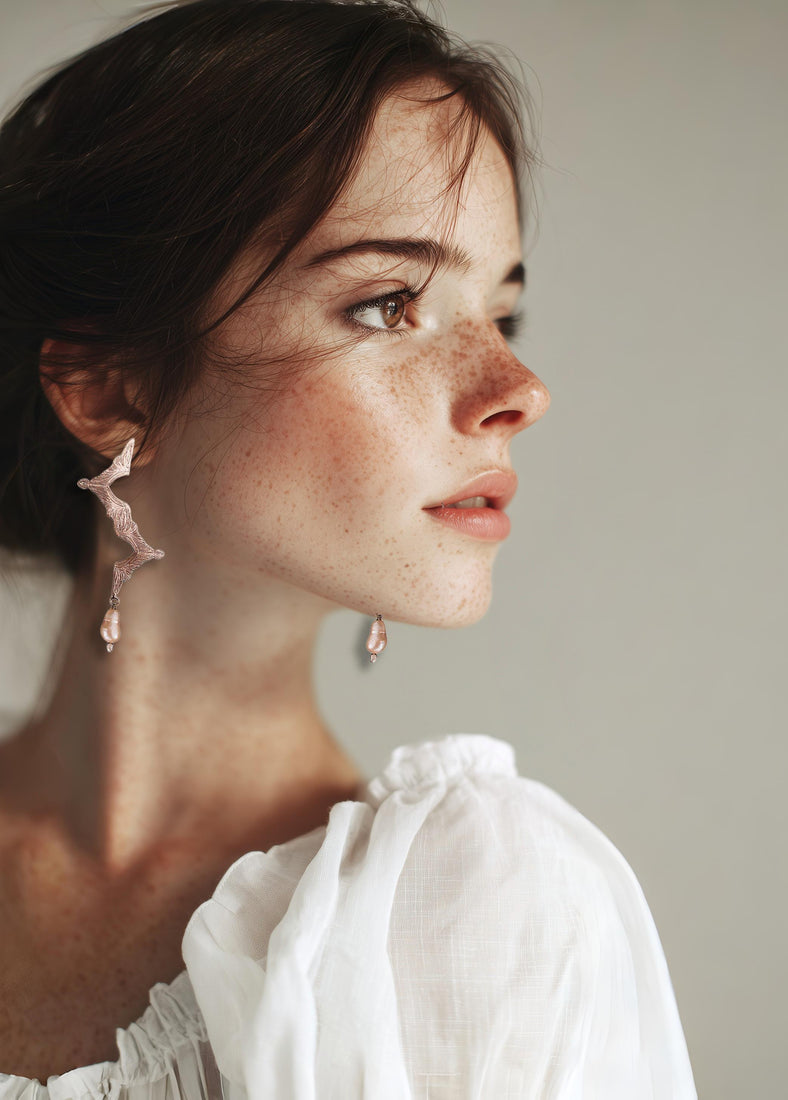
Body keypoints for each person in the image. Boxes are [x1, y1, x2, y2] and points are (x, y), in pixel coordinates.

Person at [0, 1, 698, 1095]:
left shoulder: (478, 916)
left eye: (502, 315)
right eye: (387, 304)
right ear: (110, 385)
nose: (519, 390)